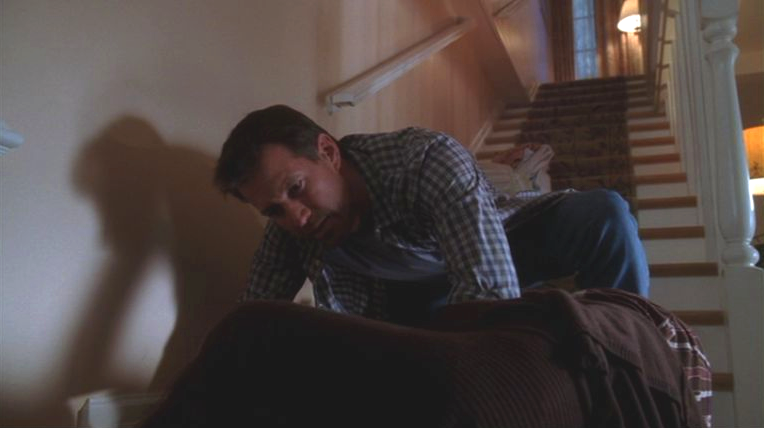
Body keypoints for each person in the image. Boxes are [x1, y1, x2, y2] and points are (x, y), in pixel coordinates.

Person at [214, 105, 649, 325]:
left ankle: (629, 344)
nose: (296, 218)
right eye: (274, 210)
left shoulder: (424, 159)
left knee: (605, 214)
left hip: (503, 242)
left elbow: (487, 292)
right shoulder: (290, 228)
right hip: (410, 298)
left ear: (328, 152)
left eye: (296, 189)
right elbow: (252, 317)